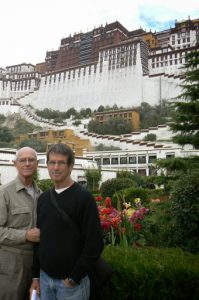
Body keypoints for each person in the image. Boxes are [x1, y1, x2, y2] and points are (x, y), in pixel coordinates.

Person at [30, 143, 104, 300]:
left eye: (61, 163)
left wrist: (73, 278)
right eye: (52, 162)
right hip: (45, 280)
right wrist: (35, 276)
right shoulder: (43, 199)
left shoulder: (84, 198)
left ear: (70, 166)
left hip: (71, 286)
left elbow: (95, 243)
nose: (55, 167)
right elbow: (38, 239)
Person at [0, 147, 41, 300]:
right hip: (10, 265)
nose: (27, 163)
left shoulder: (41, 195)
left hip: (35, 266)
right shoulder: (4, 193)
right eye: (23, 160)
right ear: (15, 164)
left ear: (37, 164)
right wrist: (25, 235)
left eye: (31, 160)